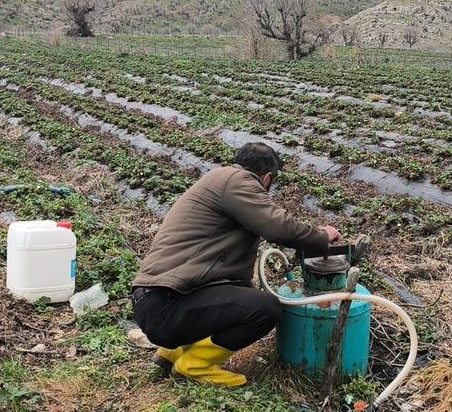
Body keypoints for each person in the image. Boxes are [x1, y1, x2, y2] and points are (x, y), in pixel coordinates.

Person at [131, 142, 341, 387]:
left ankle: (172, 352)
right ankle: (194, 365)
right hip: (165, 305)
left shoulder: (219, 179)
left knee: (244, 299)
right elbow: (277, 226)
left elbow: (229, 279)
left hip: (157, 300)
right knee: (266, 308)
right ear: (268, 178)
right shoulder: (237, 181)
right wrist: (322, 237)